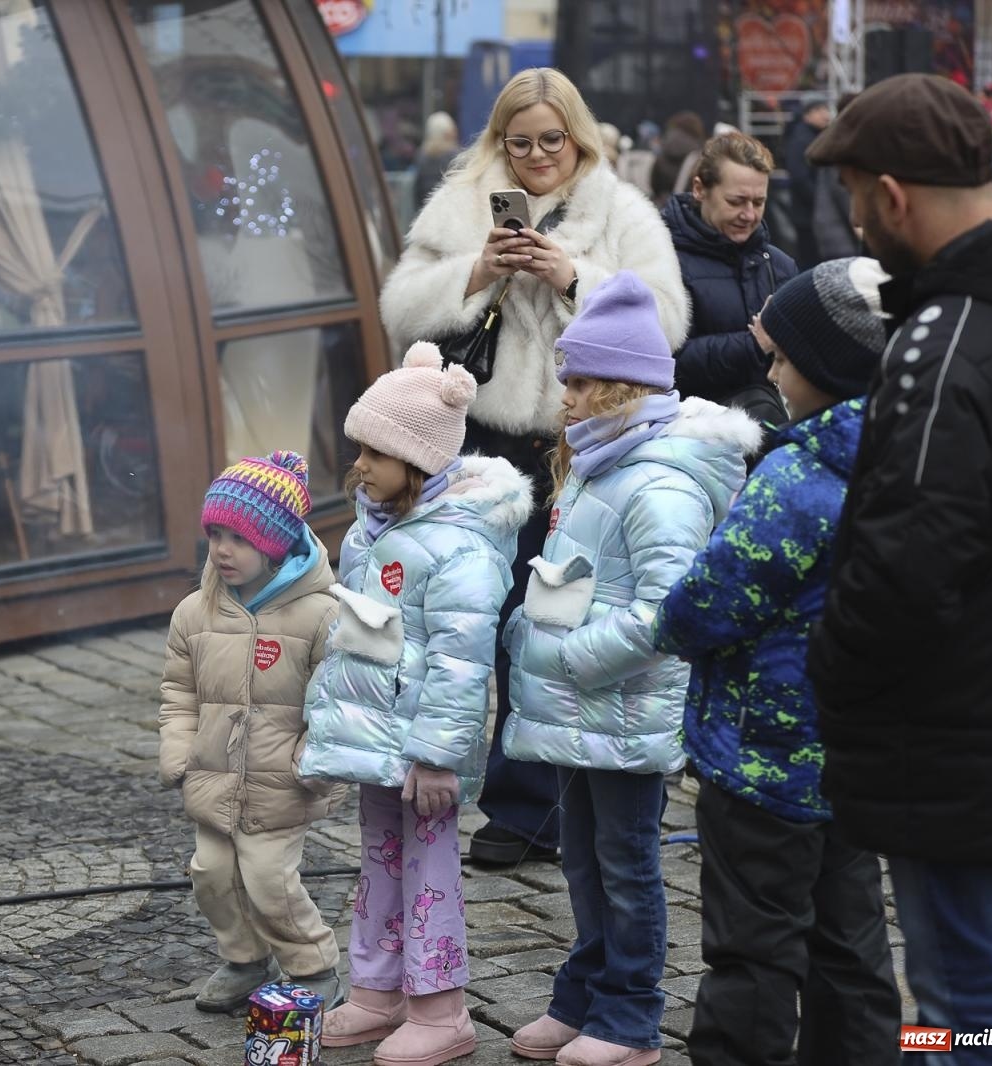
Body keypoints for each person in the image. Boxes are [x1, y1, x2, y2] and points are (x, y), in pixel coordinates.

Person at [804, 73, 992, 1066]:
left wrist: (830, 664)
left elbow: (906, 563)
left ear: (892, 196)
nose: (858, 224)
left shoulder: (941, 341)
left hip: (957, 739)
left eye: (857, 201)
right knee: (967, 972)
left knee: (964, 991)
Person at [378, 67, 688, 868]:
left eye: (553, 140)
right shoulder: (460, 198)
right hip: (474, 435)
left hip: (575, 439)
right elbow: (399, 306)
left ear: (577, 136)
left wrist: (575, 279)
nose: (538, 156)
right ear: (499, 141)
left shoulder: (620, 208)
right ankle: (429, 776)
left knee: (546, 618)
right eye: (522, 142)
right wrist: (477, 272)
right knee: (458, 613)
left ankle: (525, 807)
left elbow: (671, 318)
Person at [501, 272, 757, 1066]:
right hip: (581, 705)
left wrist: (573, 657)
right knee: (582, 855)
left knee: (627, 861)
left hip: (622, 702)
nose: (565, 394)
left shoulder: (660, 480)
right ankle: (584, 992)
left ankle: (631, 1015)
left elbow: (666, 610)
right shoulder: (599, 462)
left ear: (621, 385)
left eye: (578, 379)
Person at [652, 257, 901, 1066]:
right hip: (858, 759)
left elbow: (708, 606)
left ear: (826, 370)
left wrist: (665, 621)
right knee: (851, 945)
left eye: (785, 358)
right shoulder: (914, 462)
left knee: (754, 951)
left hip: (766, 763)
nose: (771, 370)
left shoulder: (795, 477)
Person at [300, 342, 531, 1066]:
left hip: (422, 752)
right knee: (378, 859)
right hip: (378, 739)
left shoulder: (460, 548)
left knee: (428, 871)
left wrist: (437, 756)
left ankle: (441, 1010)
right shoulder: (372, 529)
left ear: (419, 459)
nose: (360, 465)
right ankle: (377, 989)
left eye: (375, 451)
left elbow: (463, 664)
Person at [157, 450, 344, 1013]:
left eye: (237, 537)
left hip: (280, 785)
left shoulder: (320, 616)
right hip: (213, 779)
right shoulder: (195, 612)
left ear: (276, 542)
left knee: (269, 883)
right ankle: (242, 960)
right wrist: (178, 749)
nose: (221, 550)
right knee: (210, 876)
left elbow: (335, 701)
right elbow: (178, 690)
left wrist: (309, 763)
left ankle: (314, 967)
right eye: (214, 534)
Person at [663, 131, 797, 431]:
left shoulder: (779, 265)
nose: (749, 215)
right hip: (690, 439)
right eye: (736, 201)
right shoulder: (660, 259)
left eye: (759, 202)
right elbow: (663, 362)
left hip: (770, 434)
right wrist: (754, 343)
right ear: (700, 189)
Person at [812, 93, 862, 261]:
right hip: (840, 237)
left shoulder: (837, 137)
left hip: (834, 232)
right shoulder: (842, 142)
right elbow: (843, 191)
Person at [783, 101, 831, 267]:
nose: (825, 114)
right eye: (819, 109)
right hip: (807, 213)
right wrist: (819, 200)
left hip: (812, 212)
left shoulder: (816, 136)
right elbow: (799, 177)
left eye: (826, 108)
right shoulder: (801, 139)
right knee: (809, 259)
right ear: (806, 115)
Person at [651, 111, 706, 206]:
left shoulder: (663, 149)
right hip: (687, 207)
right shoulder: (698, 153)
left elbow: (654, 183)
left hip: (662, 206)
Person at [413, 111, 461, 210]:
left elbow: (417, 190)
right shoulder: (455, 156)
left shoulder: (421, 156)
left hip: (426, 209)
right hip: (449, 210)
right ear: (448, 134)